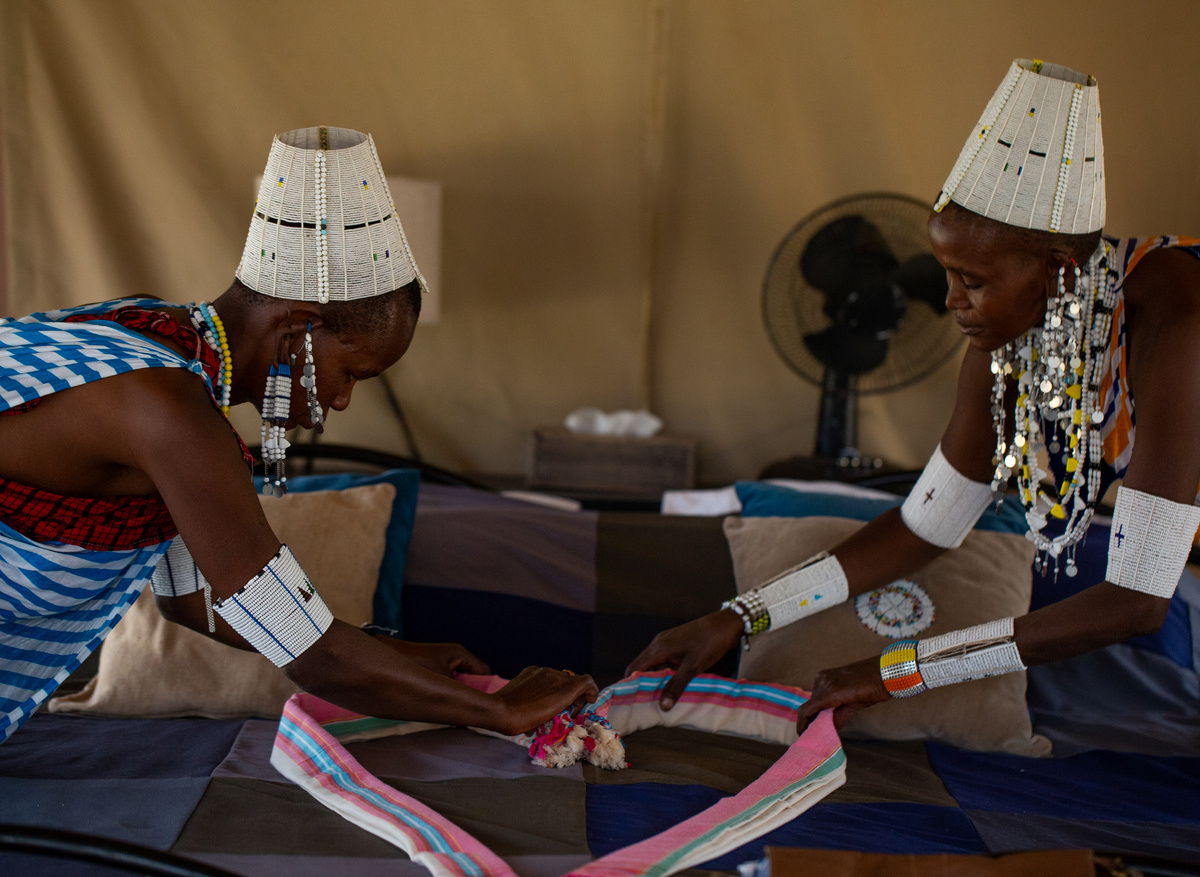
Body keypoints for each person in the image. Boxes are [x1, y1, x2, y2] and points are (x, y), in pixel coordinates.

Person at [630, 60, 1200, 731]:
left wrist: (897, 670)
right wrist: (739, 614)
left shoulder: (1180, 328)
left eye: (972, 279)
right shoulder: (1008, 340)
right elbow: (924, 527)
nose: (951, 301)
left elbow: (1135, 600)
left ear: (1057, 267)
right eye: (945, 273)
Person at [0, 125, 596, 744]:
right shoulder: (169, 409)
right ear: (298, 329)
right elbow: (316, 659)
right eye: (351, 372)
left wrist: (398, 654)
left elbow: (192, 604)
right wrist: (502, 711)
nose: (340, 399)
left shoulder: (163, 355)